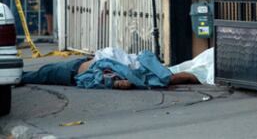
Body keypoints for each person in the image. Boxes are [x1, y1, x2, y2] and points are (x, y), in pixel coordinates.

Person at [21, 48, 200, 90]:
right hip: (80, 67)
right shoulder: (150, 72)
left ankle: (14, 77)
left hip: (76, 70)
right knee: (43, 72)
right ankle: (14, 77)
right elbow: (170, 77)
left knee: (43, 73)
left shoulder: (147, 76)